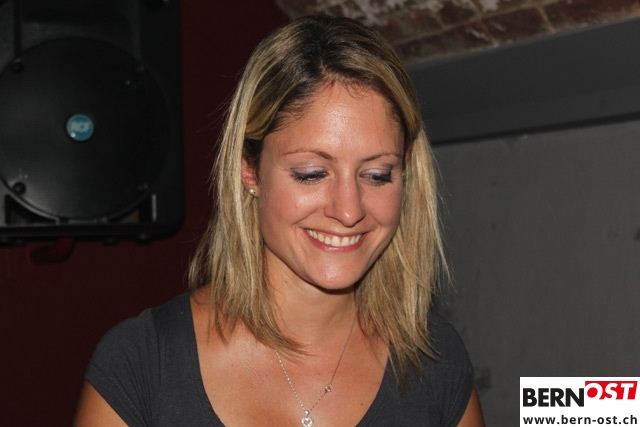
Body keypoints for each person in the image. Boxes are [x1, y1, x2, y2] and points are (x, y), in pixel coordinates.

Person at [74, 14, 484, 427]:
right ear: (249, 169)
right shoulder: (142, 364)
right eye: (311, 173)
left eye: (377, 175)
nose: (349, 210)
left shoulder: (437, 361)